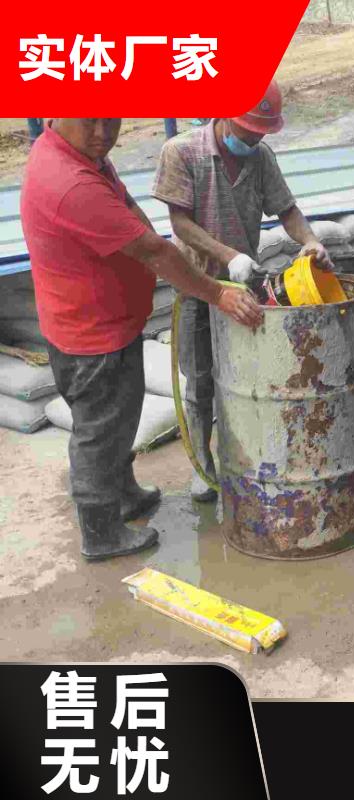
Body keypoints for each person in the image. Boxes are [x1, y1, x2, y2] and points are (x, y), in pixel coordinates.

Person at [20, 118, 263, 561]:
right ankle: (101, 532)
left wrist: (146, 237)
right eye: (90, 122)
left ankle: (124, 494)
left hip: (102, 323)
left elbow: (127, 207)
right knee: (99, 434)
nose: (103, 133)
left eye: (111, 120)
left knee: (118, 422)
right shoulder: (70, 183)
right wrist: (217, 294)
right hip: (93, 337)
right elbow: (153, 250)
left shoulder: (78, 153)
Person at [152, 80, 332, 503]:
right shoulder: (182, 152)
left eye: (261, 133)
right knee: (199, 382)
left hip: (243, 288)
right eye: (249, 130)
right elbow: (179, 224)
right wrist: (229, 255)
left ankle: (245, 455)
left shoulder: (261, 157)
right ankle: (203, 463)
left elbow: (287, 210)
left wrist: (310, 240)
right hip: (197, 286)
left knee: (248, 378)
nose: (253, 139)